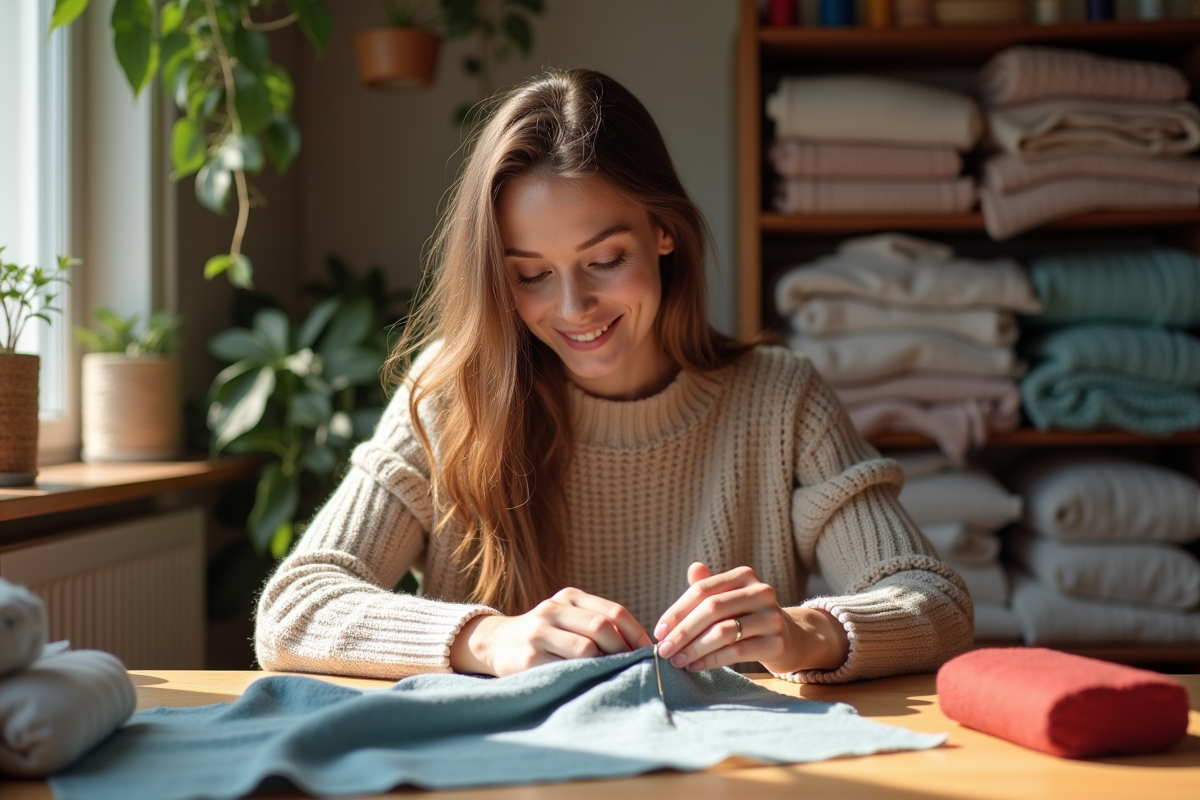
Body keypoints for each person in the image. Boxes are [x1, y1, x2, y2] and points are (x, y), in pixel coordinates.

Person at [255, 69, 973, 684]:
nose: (573, 308)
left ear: (665, 233)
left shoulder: (780, 398)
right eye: (531, 274)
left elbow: (934, 601)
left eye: (604, 260)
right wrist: (489, 639)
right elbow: (293, 609)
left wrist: (803, 632)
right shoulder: (451, 391)